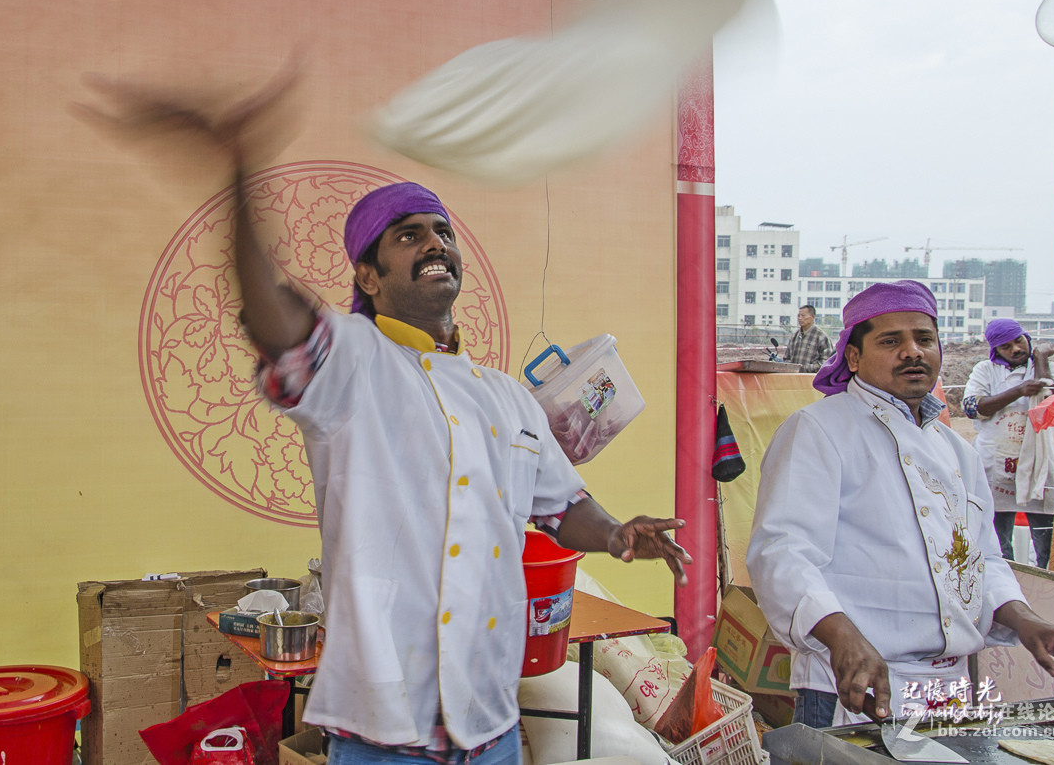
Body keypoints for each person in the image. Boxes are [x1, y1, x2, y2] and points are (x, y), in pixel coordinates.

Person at [78, 64, 692, 764]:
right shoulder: (350, 360)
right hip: (381, 731)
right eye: (407, 236)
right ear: (367, 278)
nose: (435, 242)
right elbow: (273, 316)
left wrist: (618, 534)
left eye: (441, 231)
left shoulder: (506, 397)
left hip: (488, 726)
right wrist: (240, 170)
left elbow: (559, 507)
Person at [746, 280, 1054, 729]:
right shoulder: (818, 430)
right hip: (859, 685)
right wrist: (841, 636)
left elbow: (981, 560)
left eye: (924, 339)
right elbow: (781, 552)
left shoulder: (956, 450)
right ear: (853, 357)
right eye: (891, 341)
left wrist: (1030, 624)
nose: (912, 352)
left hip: (949, 691)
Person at [963, 319, 1054, 568]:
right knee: (998, 545)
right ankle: (1006, 596)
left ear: (1027, 337)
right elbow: (973, 408)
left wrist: (1040, 359)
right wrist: (1019, 391)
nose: (1016, 349)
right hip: (995, 465)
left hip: (1040, 462)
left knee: (1046, 544)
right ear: (996, 350)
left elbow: (1049, 398)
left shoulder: (1050, 368)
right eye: (1006, 346)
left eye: (1019, 341)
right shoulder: (985, 370)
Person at [786, 304, 834, 372]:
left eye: (803, 315)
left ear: (813, 316)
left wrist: (804, 368)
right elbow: (786, 358)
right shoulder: (794, 336)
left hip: (811, 379)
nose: (800, 318)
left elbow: (827, 362)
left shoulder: (822, 337)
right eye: (798, 316)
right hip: (793, 378)